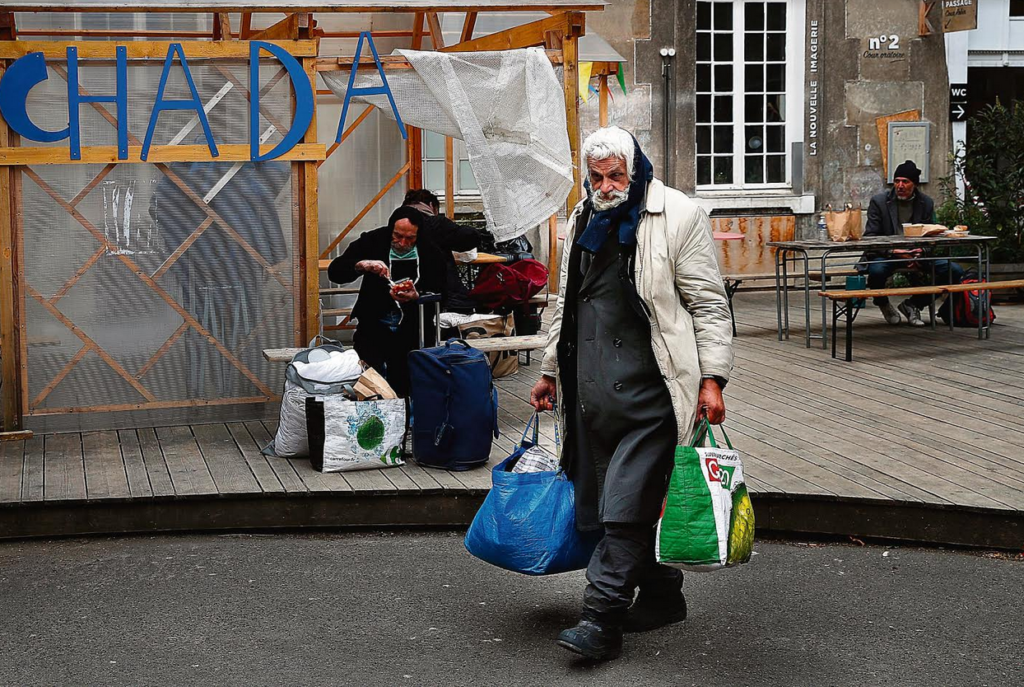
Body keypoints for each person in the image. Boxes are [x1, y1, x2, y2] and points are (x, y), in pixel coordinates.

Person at [529, 126, 734, 661]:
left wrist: (713, 378)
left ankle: (600, 621)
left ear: (636, 167)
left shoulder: (678, 216)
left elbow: (709, 305)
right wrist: (550, 370)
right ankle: (663, 594)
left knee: (625, 509)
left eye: (616, 175)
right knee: (600, 506)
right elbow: (564, 303)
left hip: (652, 392)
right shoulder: (581, 218)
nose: (606, 185)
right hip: (590, 391)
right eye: (596, 177)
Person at [327, 206, 449, 396]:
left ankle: (407, 421)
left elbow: (445, 289)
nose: (402, 243)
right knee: (370, 382)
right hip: (373, 323)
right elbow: (335, 272)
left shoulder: (430, 250)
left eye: (410, 239)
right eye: (397, 236)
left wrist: (417, 296)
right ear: (391, 228)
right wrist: (363, 265)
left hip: (413, 328)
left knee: (405, 383)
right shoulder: (373, 241)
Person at [861, 160, 964, 326]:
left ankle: (914, 304)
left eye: (905, 181)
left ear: (914, 184)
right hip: (888, 254)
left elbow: (930, 233)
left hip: (917, 253)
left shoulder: (926, 203)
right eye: (897, 181)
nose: (900, 185)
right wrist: (895, 252)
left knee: (954, 271)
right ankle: (883, 303)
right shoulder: (879, 202)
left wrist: (919, 251)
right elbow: (871, 236)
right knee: (876, 271)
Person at [403, 189, 481, 314]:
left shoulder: (394, 227)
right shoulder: (436, 224)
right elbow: (469, 239)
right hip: (442, 300)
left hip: (402, 297)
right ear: (431, 206)